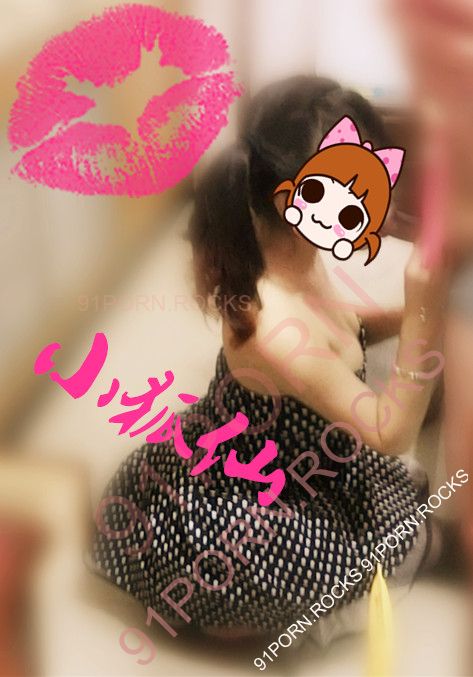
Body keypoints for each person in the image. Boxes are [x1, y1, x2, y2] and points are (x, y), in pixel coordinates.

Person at [89, 75, 449, 643]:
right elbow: (389, 433)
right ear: (291, 200)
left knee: (400, 511)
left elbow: (343, 325)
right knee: (344, 557)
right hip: (256, 507)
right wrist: (424, 314)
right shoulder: (274, 327)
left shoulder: (295, 251)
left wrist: (416, 310)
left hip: (298, 449)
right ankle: (228, 621)